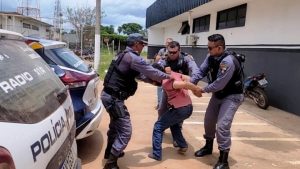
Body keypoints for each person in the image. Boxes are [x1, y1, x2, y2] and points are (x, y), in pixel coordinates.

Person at [101, 33, 173, 169]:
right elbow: (152, 72)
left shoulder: (123, 54)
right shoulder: (133, 58)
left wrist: (153, 82)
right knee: (125, 131)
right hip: (114, 99)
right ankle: (111, 163)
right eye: (142, 44)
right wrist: (169, 77)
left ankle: (109, 152)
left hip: (109, 95)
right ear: (135, 44)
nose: (143, 47)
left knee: (115, 126)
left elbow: (140, 75)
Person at [190, 34, 244, 169]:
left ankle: (223, 160)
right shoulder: (211, 57)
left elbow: (219, 83)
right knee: (208, 121)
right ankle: (208, 147)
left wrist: (201, 90)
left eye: (210, 48)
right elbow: (201, 70)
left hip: (232, 96)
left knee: (222, 126)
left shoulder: (228, 62)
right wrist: (191, 82)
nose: (208, 50)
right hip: (218, 94)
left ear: (219, 48)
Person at [148, 64, 202, 161]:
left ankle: (156, 154)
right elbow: (188, 78)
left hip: (180, 109)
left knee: (158, 126)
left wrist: (197, 90)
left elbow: (185, 84)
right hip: (188, 108)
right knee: (174, 125)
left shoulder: (166, 82)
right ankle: (182, 145)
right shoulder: (173, 74)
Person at [154, 38, 173, 110]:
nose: (168, 44)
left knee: (169, 88)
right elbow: (157, 59)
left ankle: (169, 104)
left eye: (170, 43)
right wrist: (162, 57)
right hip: (161, 72)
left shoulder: (173, 51)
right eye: (167, 43)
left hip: (170, 72)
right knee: (159, 88)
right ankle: (159, 104)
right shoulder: (162, 51)